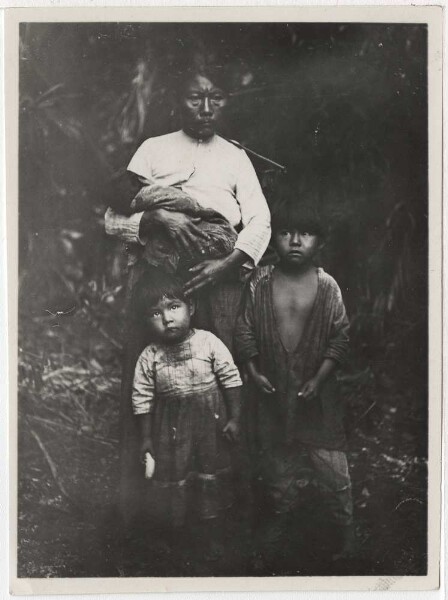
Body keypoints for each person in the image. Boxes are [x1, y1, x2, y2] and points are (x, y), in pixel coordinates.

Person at [104, 64, 271, 523]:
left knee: (217, 377)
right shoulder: (153, 150)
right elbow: (111, 217)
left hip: (218, 277)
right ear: (179, 101)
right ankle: (145, 505)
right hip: (158, 279)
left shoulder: (236, 158)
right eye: (195, 97)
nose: (205, 107)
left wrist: (228, 264)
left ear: (225, 103)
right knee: (148, 376)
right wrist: (157, 221)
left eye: (215, 97)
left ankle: (219, 508)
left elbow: (260, 221)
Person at [234, 195, 354, 565]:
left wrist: (319, 379)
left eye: (306, 234)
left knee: (333, 470)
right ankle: (277, 530)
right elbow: (245, 329)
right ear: (273, 240)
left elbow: (340, 337)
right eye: (286, 233)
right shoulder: (260, 281)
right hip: (272, 393)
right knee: (276, 469)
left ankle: (347, 536)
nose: (296, 242)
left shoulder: (328, 286)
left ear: (320, 241)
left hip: (317, 398)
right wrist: (253, 370)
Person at [131, 267, 242, 558]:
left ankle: (211, 534)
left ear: (190, 307)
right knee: (176, 479)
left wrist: (235, 418)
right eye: (156, 313)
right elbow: (141, 398)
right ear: (146, 321)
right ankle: (178, 538)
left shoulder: (208, 342)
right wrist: (145, 438)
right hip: (171, 432)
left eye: (173, 306)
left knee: (208, 475)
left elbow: (231, 379)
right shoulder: (150, 356)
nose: (167, 318)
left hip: (209, 427)